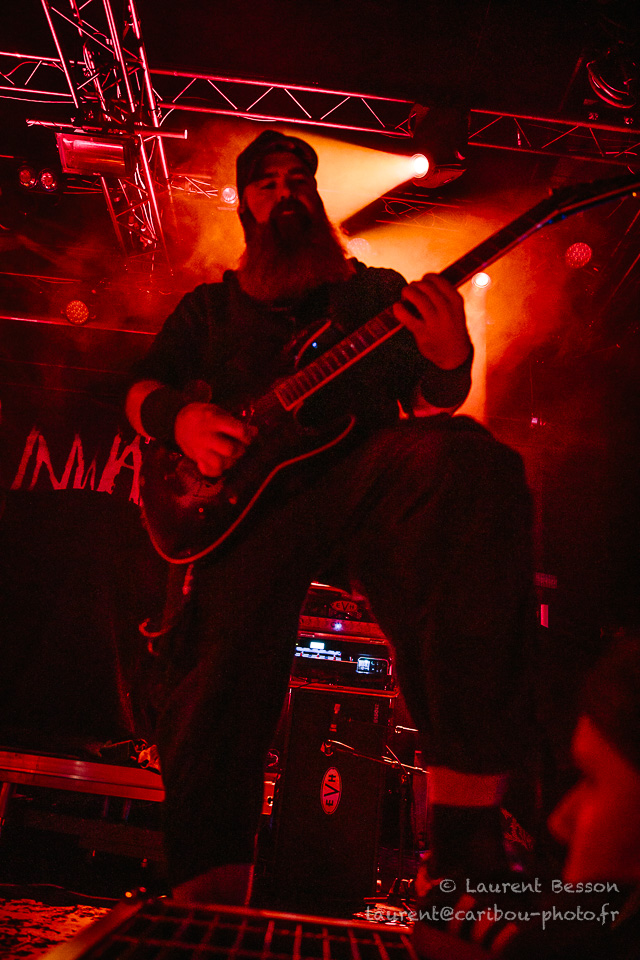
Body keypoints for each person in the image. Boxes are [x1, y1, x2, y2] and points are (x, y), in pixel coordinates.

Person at [125, 129, 535, 906]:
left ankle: (466, 842)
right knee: (217, 667)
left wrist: (451, 356)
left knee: (472, 460)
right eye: (269, 182)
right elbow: (140, 388)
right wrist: (180, 419)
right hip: (249, 512)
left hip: (363, 483)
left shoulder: (374, 294)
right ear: (246, 206)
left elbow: (433, 401)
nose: (287, 192)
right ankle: (206, 902)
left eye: (300, 180)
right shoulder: (210, 309)